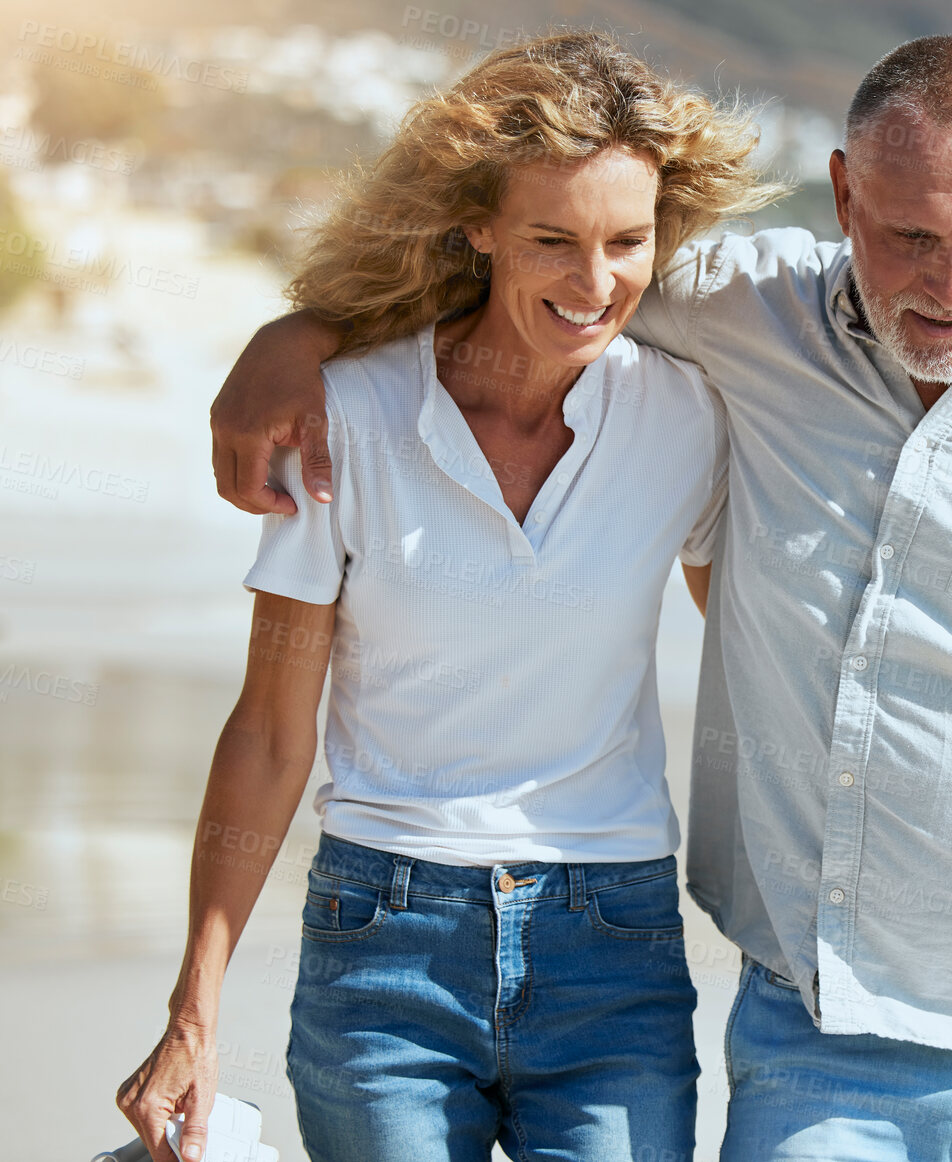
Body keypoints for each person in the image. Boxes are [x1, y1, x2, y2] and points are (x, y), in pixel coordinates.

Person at [206, 34, 952, 1162]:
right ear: (839, 196)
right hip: (826, 1037)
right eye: (908, 237)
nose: (950, 286)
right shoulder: (740, 316)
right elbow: (536, 275)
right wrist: (296, 333)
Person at [115, 31, 783, 1162]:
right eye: (552, 241)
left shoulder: (690, 419)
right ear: (477, 227)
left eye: (628, 242)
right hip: (383, 936)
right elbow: (272, 730)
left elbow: (769, 655)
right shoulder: (343, 420)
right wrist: (193, 1009)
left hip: (611, 936)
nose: (594, 282)